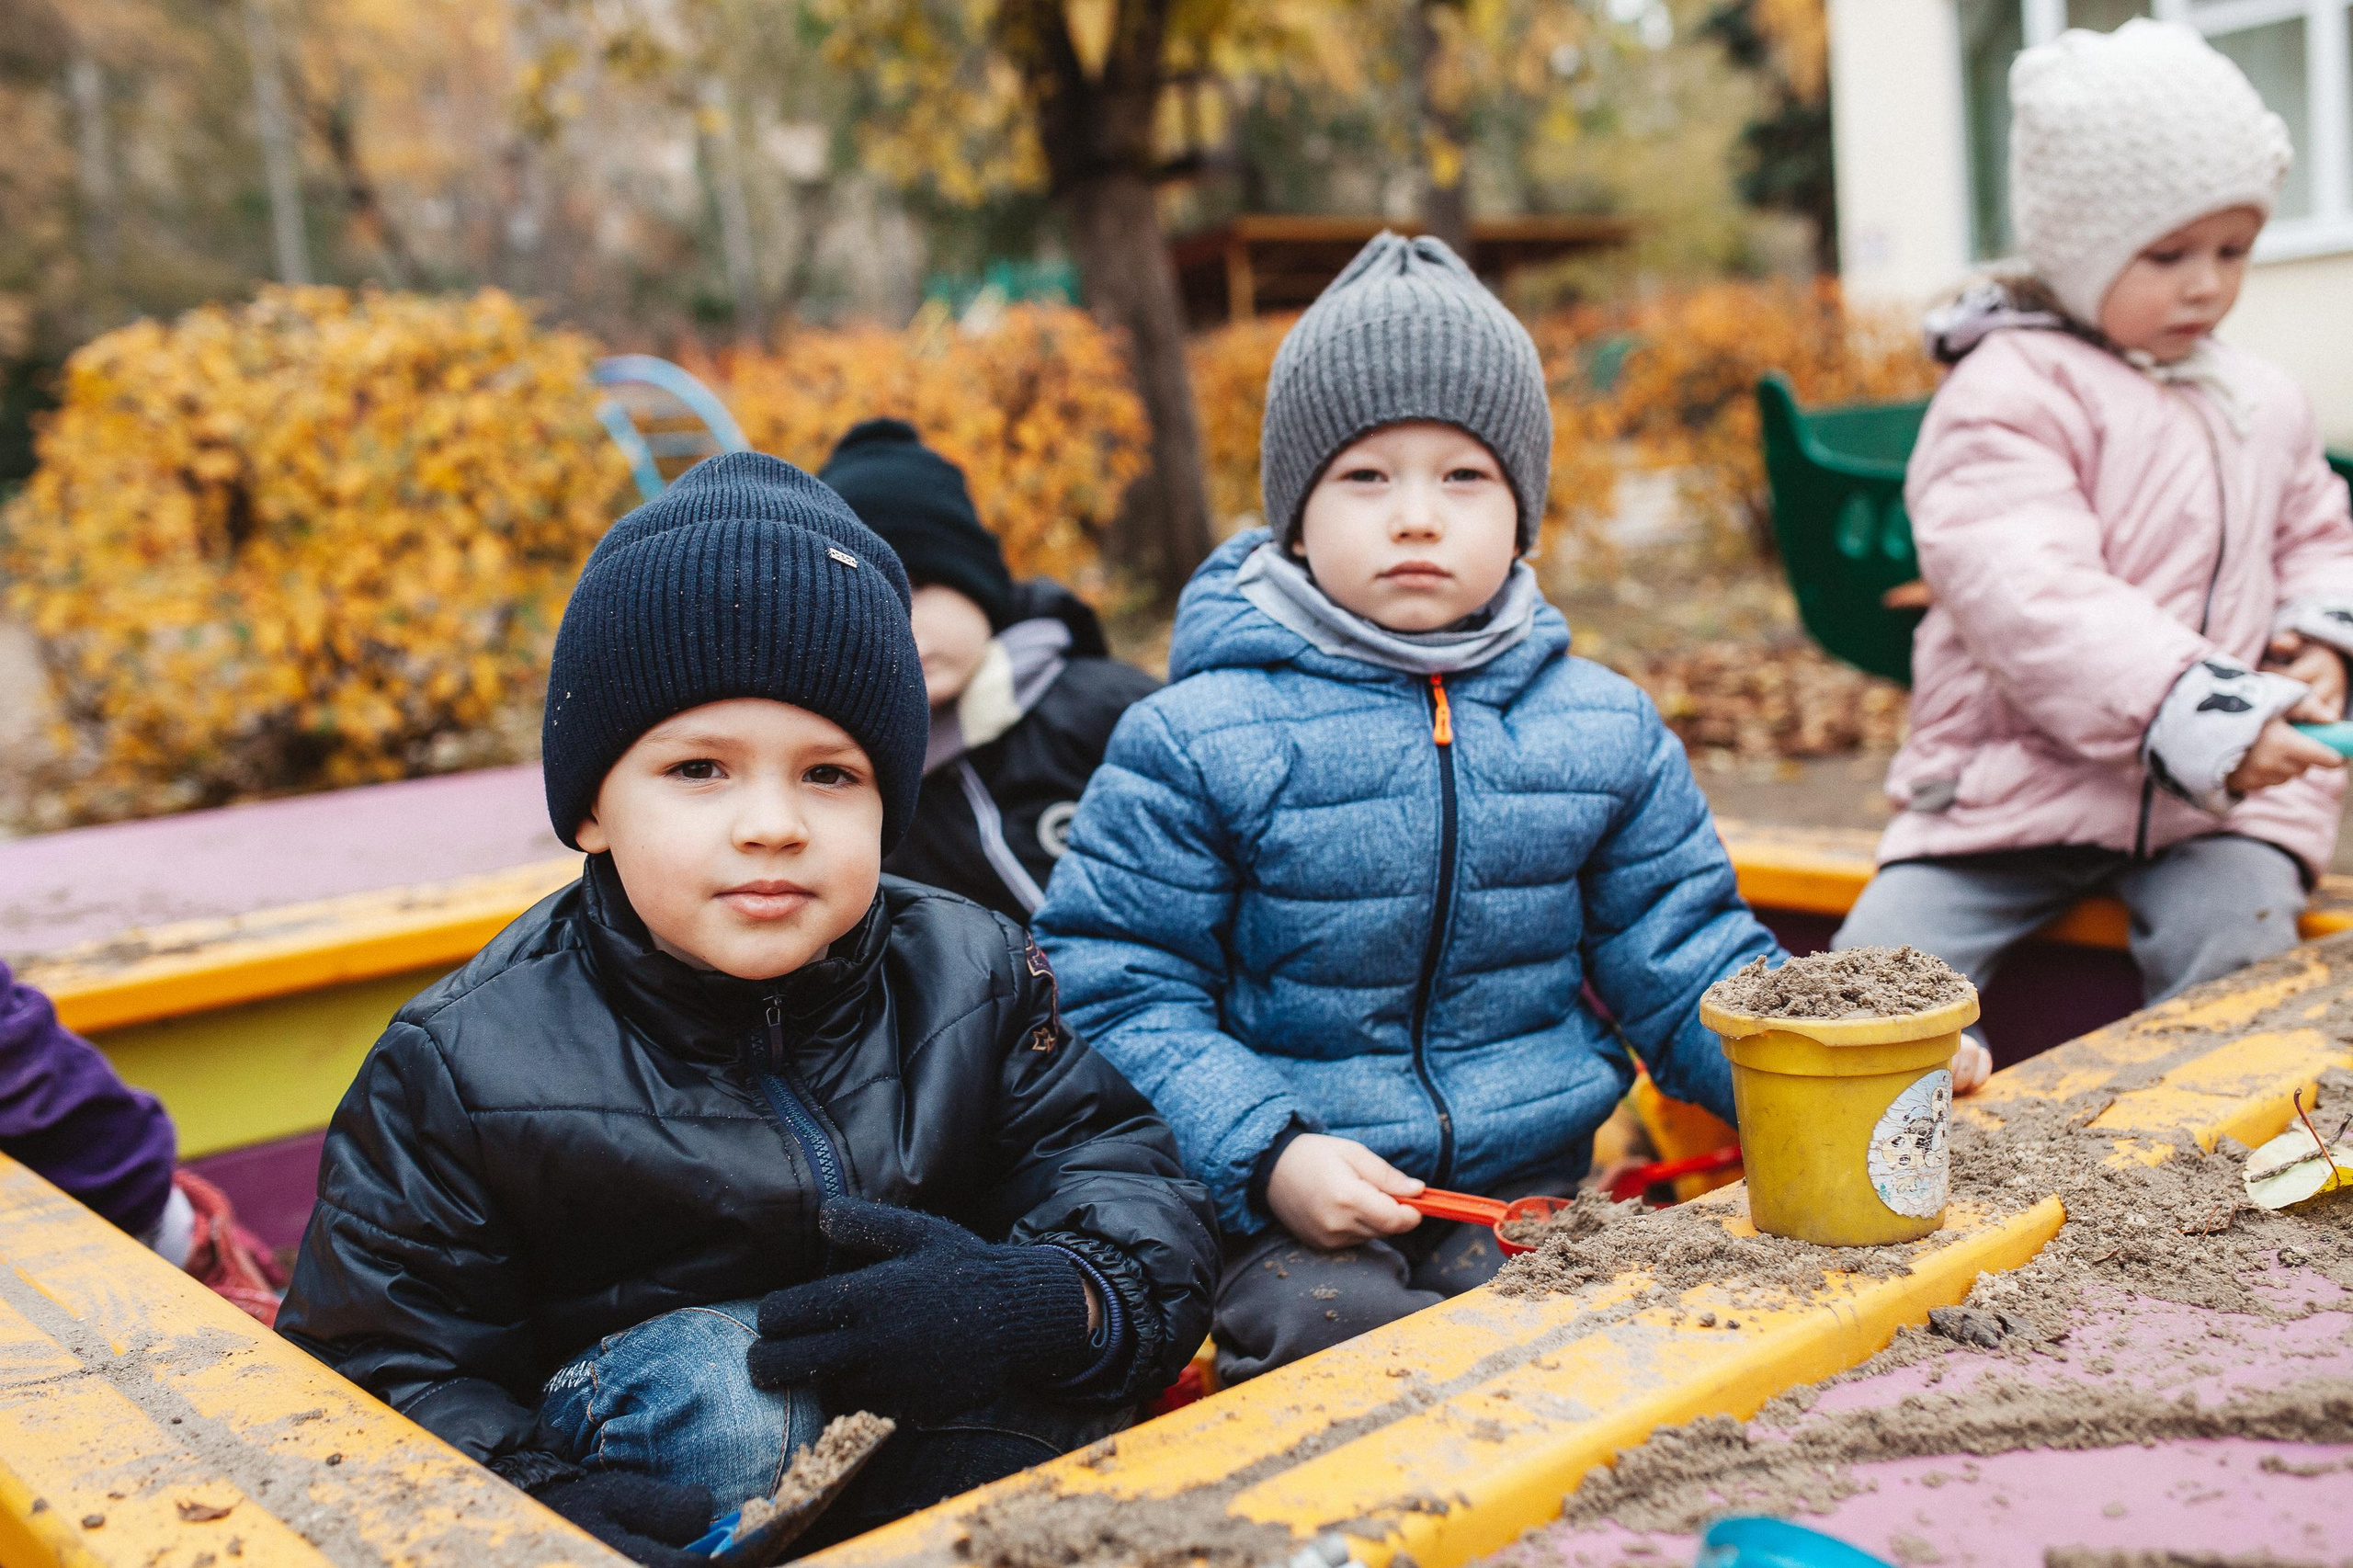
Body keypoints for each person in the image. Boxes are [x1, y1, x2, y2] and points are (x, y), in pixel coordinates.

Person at [277, 453, 1218, 1567]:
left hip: (917, 1424)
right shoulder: (465, 1059)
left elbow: (1117, 1171)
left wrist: (1050, 1298)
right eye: (700, 770)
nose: (773, 823)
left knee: (1053, 1366)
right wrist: (533, 1500)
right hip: (644, 1475)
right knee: (732, 1390)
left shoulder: (973, 969)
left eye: (829, 775)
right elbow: (380, 1360)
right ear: (592, 810)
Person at [1032, 234, 1779, 1385]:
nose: (1417, 516)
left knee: (1572, 1347)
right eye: (1366, 477)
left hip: (1524, 1187)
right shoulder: (1197, 735)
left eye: (1464, 476)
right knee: (1336, 1342)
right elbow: (1113, 984)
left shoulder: (1600, 727)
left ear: (1523, 514)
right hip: (1282, 1201)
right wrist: (1266, 1150)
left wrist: (1842, 1069)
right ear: (1294, 516)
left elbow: (1686, 956)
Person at [1834, 21, 2353, 1090]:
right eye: (2167, 255)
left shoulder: (2258, 398)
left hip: (2213, 810)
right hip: (2012, 792)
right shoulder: (2008, 392)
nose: (2206, 285)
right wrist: (2208, 714)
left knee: (2241, 962)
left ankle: (2194, 1149)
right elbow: (2032, 595)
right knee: (1869, 981)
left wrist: (2319, 639)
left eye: (2233, 250)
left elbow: (2318, 534)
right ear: (2078, 250)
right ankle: (1879, 1138)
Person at [818, 418, 1160, 922]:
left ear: (976, 583)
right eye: (871, 601)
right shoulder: (849, 788)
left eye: (919, 588)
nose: (901, 624)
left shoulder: (1113, 711)